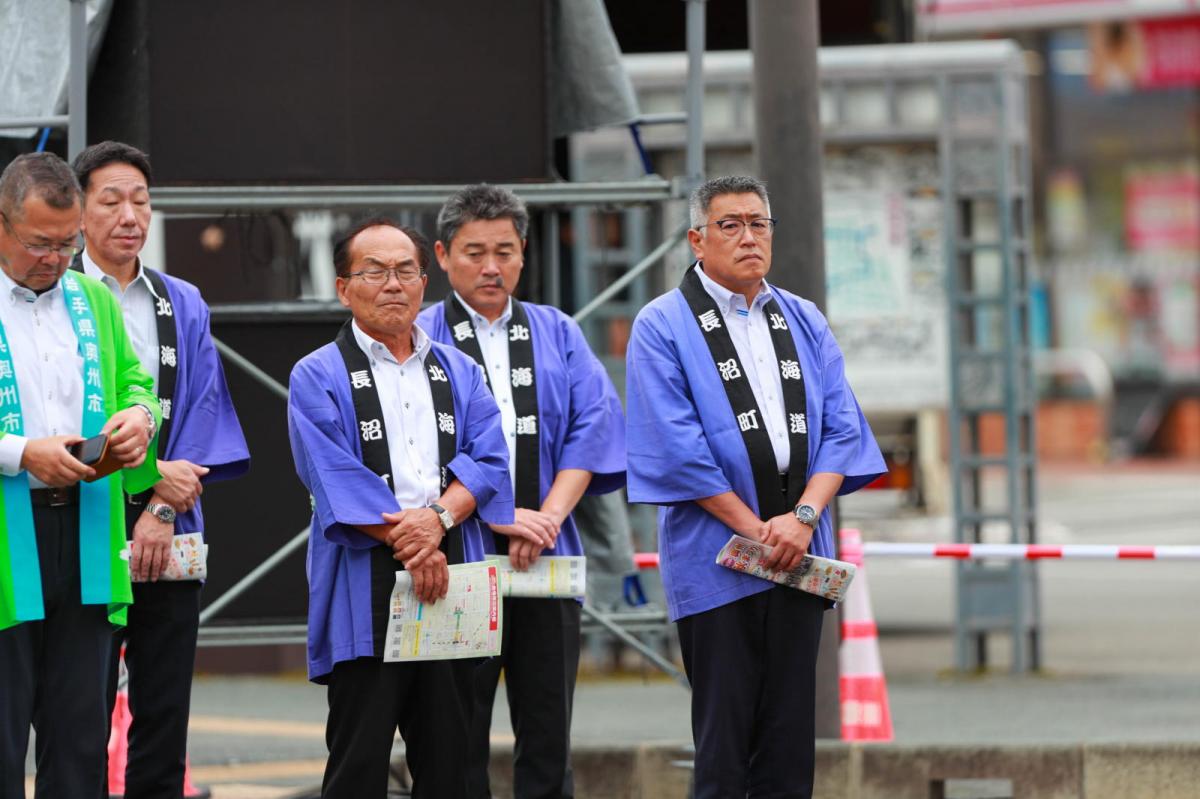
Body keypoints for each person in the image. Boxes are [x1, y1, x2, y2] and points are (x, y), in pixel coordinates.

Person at [624, 175, 885, 798]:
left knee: (790, 738)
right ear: (696, 239)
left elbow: (841, 430)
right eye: (730, 225)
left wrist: (800, 519)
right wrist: (759, 531)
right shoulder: (662, 324)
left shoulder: (803, 317)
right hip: (716, 559)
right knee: (724, 741)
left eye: (758, 224)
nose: (748, 238)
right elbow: (677, 449)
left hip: (799, 551)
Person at [287, 218, 513, 798]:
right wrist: (415, 544)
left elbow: (489, 461)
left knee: (453, 765)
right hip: (364, 583)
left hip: (450, 578)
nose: (393, 284)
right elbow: (332, 476)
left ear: (423, 279)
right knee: (357, 763)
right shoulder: (316, 374)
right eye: (374, 271)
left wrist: (435, 522)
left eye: (405, 270)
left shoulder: (459, 370)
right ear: (343, 287)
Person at [419, 184, 625, 799]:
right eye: (474, 251)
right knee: (455, 737)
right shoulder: (421, 333)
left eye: (505, 251)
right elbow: (413, 450)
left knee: (548, 733)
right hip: (457, 556)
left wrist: (550, 517)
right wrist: (502, 515)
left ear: (524, 254)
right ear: (442, 254)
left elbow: (595, 422)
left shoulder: (556, 329)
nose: (491, 266)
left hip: (547, 559)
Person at [71, 140, 250, 799]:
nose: (130, 215)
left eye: (141, 201)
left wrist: (162, 506)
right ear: (78, 210)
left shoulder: (183, 300)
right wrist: (144, 482)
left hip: (171, 523)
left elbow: (205, 406)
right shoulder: (60, 295)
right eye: (111, 200)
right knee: (79, 705)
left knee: (164, 705)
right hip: (83, 514)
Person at [0, 151, 160, 798]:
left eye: (68, 244)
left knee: (79, 739)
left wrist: (140, 417)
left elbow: (135, 382)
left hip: (89, 530)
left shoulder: (92, 296)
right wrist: (18, 452)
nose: (56, 258)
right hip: (9, 542)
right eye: (40, 243)